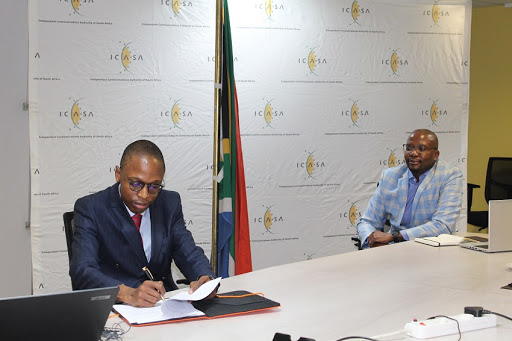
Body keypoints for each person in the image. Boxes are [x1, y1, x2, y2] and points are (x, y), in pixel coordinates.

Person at [70, 140, 216, 307]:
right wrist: (128, 294)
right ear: (118, 174)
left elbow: (187, 252)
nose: (145, 195)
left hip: (163, 306)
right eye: (136, 184)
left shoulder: (169, 203)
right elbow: (82, 270)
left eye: (154, 186)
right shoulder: (91, 208)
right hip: (116, 309)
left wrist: (204, 278)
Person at [357, 129, 463, 249]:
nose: (413, 153)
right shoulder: (390, 177)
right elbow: (367, 221)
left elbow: (443, 225)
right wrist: (372, 240)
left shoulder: (449, 176)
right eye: (409, 148)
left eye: (421, 149)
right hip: (394, 250)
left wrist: (395, 236)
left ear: (435, 155)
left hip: (431, 250)